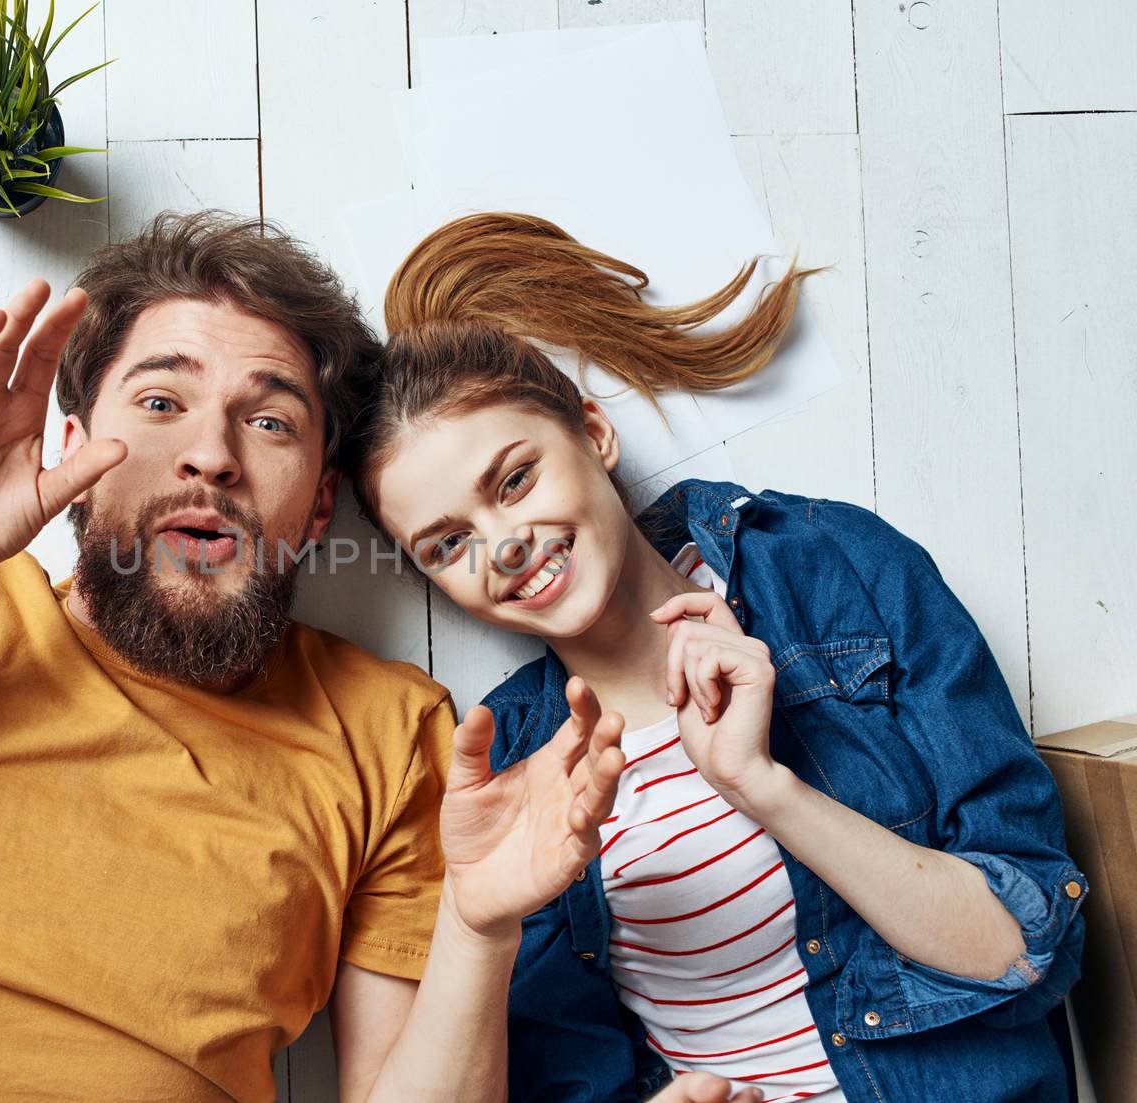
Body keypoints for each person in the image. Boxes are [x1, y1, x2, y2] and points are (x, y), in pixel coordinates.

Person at [0, 211, 758, 1103]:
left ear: (320, 501)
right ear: (74, 443)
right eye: (162, 403)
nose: (213, 455)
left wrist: (483, 931)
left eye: (269, 419)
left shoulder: (398, 734)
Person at [339, 211, 1088, 1103]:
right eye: (448, 542)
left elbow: (1029, 950)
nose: (504, 544)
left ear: (592, 433)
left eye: (514, 480)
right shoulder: (517, 767)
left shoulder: (830, 569)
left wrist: (763, 784)